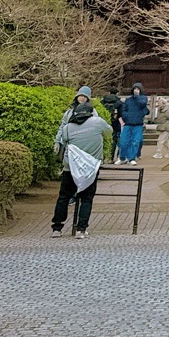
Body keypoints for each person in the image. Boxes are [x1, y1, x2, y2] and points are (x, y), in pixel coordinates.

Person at [51, 87, 111, 240]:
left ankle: (57, 228)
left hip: (69, 167)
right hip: (90, 168)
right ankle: (81, 229)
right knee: (86, 198)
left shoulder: (68, 128)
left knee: (64, 197)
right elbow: (109, 132)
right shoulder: (97, 122)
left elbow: (63, 139)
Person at [117, 83, 149, 164]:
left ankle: (132, 158)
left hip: (138, 124)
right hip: (128, 123)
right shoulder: (128, 100)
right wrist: (125, 116)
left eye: (138, 89)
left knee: (135, 142)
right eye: (135, 89)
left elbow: (142, 104)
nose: (136, 90)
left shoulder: (143, 98)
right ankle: (122, 157)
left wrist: (137, 96)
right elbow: (124, 109)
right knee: (123, 141)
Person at [100, 87, 122, 162]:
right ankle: (113, 157)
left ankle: (104, 157)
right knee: (115, 140)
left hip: (104, 122)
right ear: (117, 93)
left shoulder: (102, 101)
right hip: (116, 123)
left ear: (109, 92)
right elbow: (122, 113)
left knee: (104, 139)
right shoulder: (119, 102)